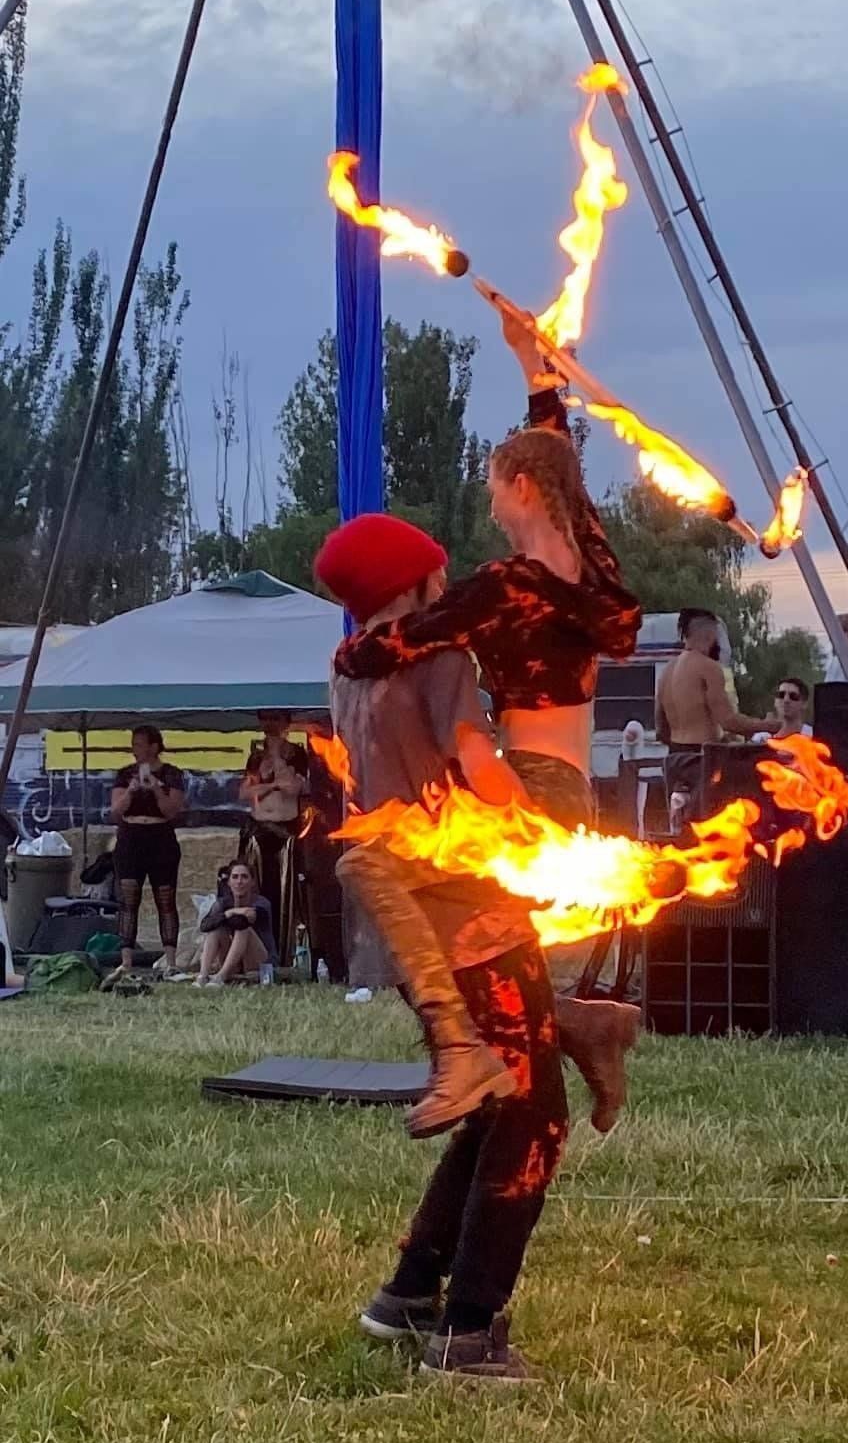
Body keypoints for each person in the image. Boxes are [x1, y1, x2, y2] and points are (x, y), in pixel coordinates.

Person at [324, 315, 642, 1136]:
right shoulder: (594, 575)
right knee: (488, 947)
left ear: (522, 489)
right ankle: (587, 1026)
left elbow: (412, 635)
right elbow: (567, 479)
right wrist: (536, 374)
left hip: (528, 789)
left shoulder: (504, 587)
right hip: (572, 783)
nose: (490, 502)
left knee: (385, 876)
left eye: (497, 486)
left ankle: (468, 1049)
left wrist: (357, 657)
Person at [326, 512, 567, 1382]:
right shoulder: (439, 659)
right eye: (437, 569)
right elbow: (477, 765)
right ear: (415, 582)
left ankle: (407, 1295)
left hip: (407, 929)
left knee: (497, 1104)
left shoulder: (349, 670)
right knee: (535, 1121)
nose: (448, 577)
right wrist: (545, 829)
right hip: (473, 919)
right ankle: (469, 1333)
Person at [656, 609, 780, 829]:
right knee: (716, 825)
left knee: (682, 830)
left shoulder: (667, 671)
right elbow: (728, 720)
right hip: (703, 757)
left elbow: (660, 728)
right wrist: (768, 725)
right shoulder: (709, 668)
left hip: (675, 757)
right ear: (711, 635)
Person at [110, 725, 186, 974]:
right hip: (131, 837)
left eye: (139, 744)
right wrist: (132, 791)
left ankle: (171, 962)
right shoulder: (124, 775)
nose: (135, 750)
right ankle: (126, 961)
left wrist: (155, 788)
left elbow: (171, 810)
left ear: (154, 747)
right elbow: (115, 810)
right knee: (128, 899)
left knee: (165, 898)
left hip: (160, 836)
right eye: (133, 744)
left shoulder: (172, 774)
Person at [238, 709, 308, 957]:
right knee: (256, 891)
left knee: (284, 894)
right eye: (265, 718)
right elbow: (245, 793)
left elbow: (293, 789)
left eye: (275, 718)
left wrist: (277, 755)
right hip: (258, 830)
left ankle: (285, 951)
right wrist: (272, 784)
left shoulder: (296, 754)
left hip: (285, 833)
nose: (269, 724)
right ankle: (255, 952)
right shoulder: (255, 758)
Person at [196, 859, 276, 986]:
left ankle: (220, 977)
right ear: (229, 882)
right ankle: (203, 976)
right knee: (216, 929)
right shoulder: (222, 903)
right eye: (235, 877)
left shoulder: (262, 903)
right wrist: (230, 912)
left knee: (243, 929)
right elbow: (205, 925)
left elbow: (242, 921)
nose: (239, 882)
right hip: (234, 960)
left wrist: (231, 914)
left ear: (252, 882)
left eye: (244, 877)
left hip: (257, 960)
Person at [754, 677, 813, 743]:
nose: (786, 700)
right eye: (781, 695)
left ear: (804, 703)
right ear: (775, 701)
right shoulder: (760, 739)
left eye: (793, 696)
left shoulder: (813, 736)